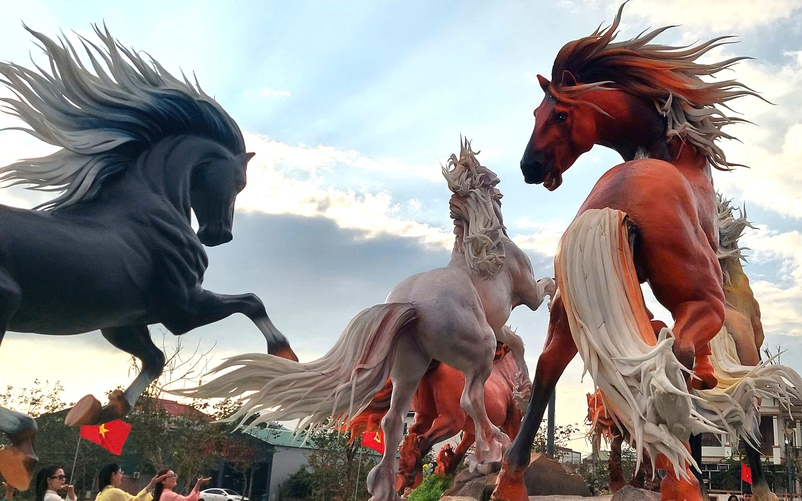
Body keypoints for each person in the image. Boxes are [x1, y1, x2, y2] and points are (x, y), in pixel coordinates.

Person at [96, 464, 169, 501]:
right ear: (113, 475)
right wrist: (151, 484)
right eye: (120, 473)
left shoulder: (100, 494)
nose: (122, 476)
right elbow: (136, 500)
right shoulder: (113, 493)